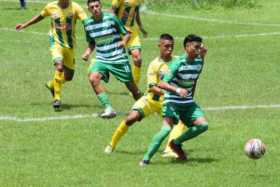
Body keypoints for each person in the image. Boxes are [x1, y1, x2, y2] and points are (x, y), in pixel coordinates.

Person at [104, 33, 185, 155]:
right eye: (166, 46)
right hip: (151, 100)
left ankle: (170, 149)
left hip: (169, 103)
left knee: (179, 122)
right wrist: (173, 91)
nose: (169, 49)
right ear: (159, 45)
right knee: (131, 118)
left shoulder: (178, 61)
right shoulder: (154, 64)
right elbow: (152, 87)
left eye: (171, 46)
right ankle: (112, 144)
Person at [139, 34, 209, 166]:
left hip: (187, 102)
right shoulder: (178, 63)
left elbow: (195, 77)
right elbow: (162, 84)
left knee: (203, 125)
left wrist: (203, 56)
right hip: (172, 100)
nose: (199, 49)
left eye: (201, 47)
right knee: (166, 130)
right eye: (196, 47)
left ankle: (176, 143)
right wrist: (177, 90)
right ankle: (145, 159)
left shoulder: (199, 61)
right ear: (187, 47)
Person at [16, 0, 87, 110]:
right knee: (59, 66)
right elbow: (40, 16)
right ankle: (57, 99)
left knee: (69, 76)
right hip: (56, 43)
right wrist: (25, 25)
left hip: (70, 45)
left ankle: (52, 84)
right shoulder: (51, 6)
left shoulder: (76, 7)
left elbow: (86, 21)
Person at [82, 0, 141, 118]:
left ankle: (144, 105)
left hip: (118, 58)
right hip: (102, 59)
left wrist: (123, 42)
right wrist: (87, 52)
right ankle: (108, 108)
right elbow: (92, 42)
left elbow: (127, 33)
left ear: (101, 6)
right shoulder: (87, 24)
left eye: (97, 6)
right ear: (89, 9)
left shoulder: (111, 18)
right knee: (93, 78)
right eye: (92, 7)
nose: (95, 9)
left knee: (133, 89)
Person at [111, 0, 148, 86]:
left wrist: (142, 29)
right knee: (109, 57)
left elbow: (136, 14)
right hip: (119, 30)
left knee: (138, 59)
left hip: (132, 32)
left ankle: (135, 86)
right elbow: (111, 12)